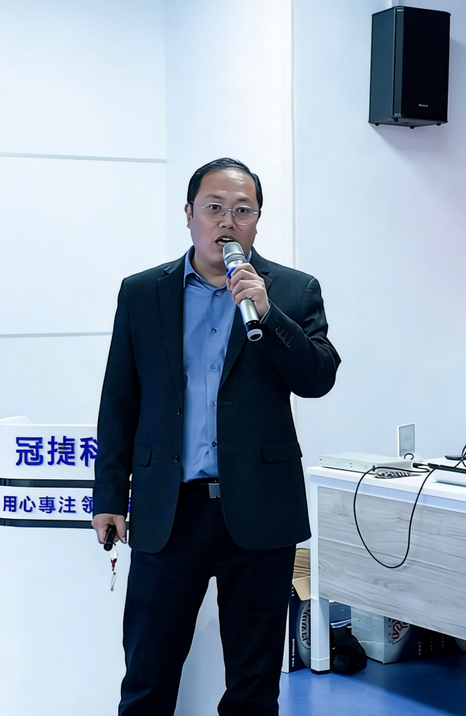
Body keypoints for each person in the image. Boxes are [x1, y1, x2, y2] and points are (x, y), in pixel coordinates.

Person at [92, 157, 340, 716]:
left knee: (254, 687)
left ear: (257, 221)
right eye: (214, 207)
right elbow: (120, 399)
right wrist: (109, 494)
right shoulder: (143, 292)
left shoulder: (292, 291)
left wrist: (269, 315)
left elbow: (318, 379)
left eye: (242, 211)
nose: (227, 221)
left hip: (259, 512)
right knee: (147, 678)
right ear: (189, 214)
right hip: (168, 510)